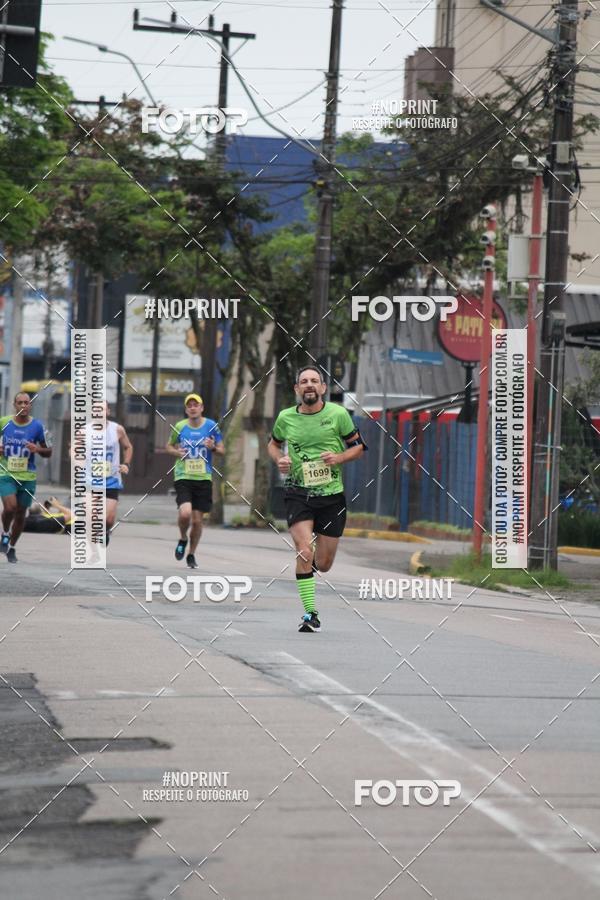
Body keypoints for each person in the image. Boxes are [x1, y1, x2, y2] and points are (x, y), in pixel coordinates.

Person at [267, 366, 366, 632]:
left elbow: (359, 447)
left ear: (323, 388)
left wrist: (339, 458)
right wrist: (281, 460)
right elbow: (273, 444)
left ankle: (311, 572)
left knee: (323, 563)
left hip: (331, 497)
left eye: (314, 381)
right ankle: (311, 614)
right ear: (297, 390)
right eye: (303, 381)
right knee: (304, 551)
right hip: (298, 493)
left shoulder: (338, 414)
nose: (309, 385)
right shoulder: (286, 417)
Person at [166, 393, 224, 569]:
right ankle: (183, 538)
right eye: (189, 405)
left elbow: (222, 449)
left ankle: (191, 554)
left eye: (195, 405)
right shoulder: (180, 426)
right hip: (183, 476)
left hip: (203, 478)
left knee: (198, 521)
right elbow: (168, 446)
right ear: (186, 409)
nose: (192, 408)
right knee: (185, 513)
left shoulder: (211, 426)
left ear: (201, 408)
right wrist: (177, 452)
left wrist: (213, 447)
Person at [0, 392, 52, 563]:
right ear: (14, 405)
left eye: (26, 403)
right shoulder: (4, 422)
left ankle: (12, 547)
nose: (23, 405)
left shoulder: (38, 426)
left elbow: (49, 451)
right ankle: (5, 533)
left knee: (21, 513)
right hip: (6, 473)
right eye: (20, 402)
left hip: (28, 476)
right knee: (10, 508)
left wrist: (37, 449)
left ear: (30, 405)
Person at [83, 401, 133, 546]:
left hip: (111, 480)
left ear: (108, 412)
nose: (99, 412)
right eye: (96, 409)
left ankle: (105, 531)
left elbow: (128, 447)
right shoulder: (84, 431)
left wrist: (126, 463)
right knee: (92, 516)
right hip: (90, 480)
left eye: (102, 409)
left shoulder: (117, 429)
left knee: (108, 520)